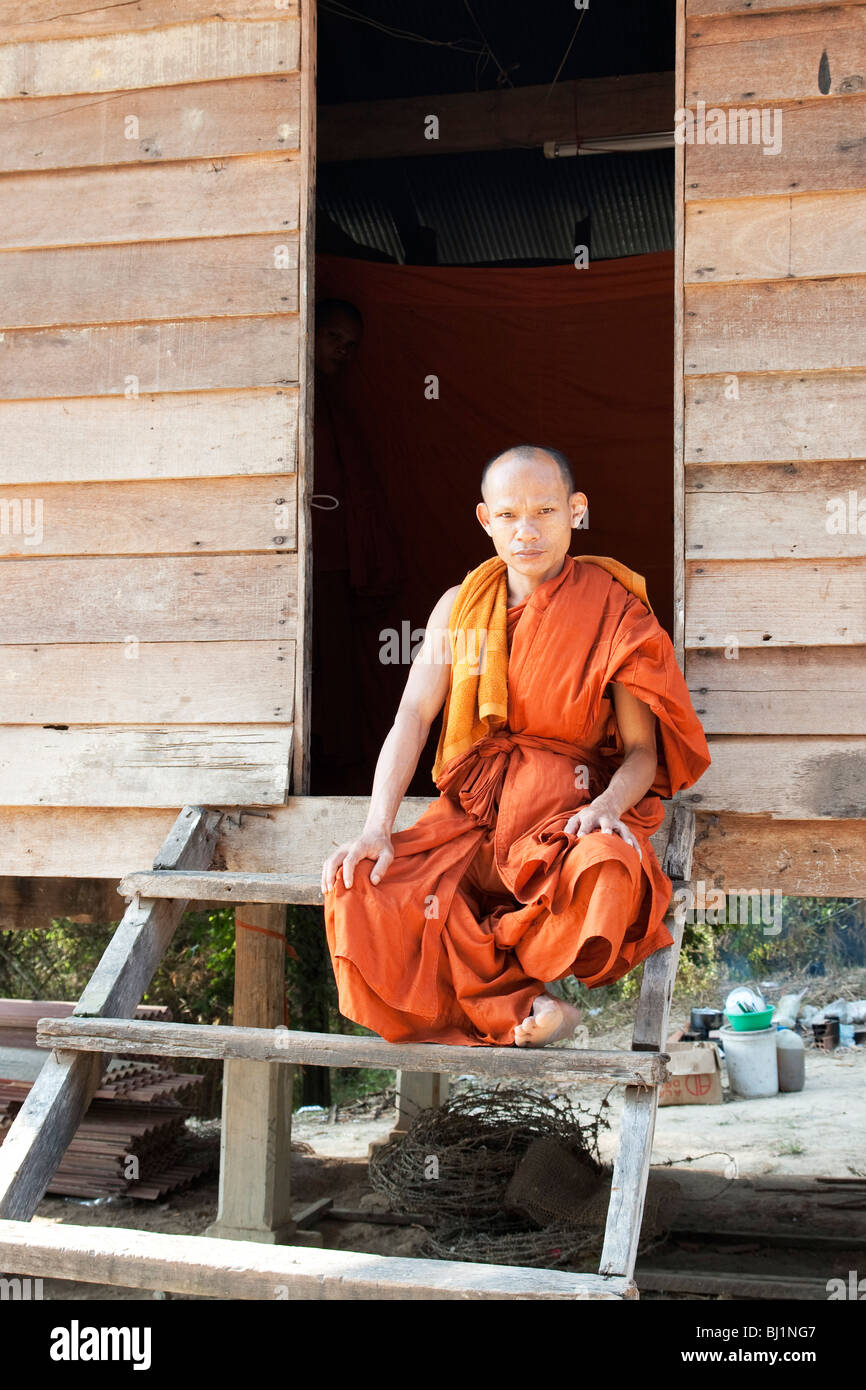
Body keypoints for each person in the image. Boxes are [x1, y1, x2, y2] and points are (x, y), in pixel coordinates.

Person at [321, 445, 711, 1048]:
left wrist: (606, 809)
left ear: (576, 511)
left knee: (608, 865)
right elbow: (412, 714)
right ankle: (534, 1008)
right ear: (484, 519)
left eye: (545, 512)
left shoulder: (615, 610)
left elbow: (642, 753)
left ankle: (544, 1004)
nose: (525, 533)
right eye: (508, 516)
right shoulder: (460, 607)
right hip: (475, 815)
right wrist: (377, 826)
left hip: (564, 820)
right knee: (362, 884)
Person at [310, 298, 406, 792]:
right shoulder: (303, 399)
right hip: (306, 559)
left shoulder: (336, 403)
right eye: (334, 339)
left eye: (351, 347)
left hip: (335, 563)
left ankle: (337, 777)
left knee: (339, 676)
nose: (343, 352)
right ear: (309, 332)